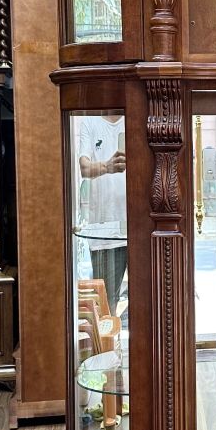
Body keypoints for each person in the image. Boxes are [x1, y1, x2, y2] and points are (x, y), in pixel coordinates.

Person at [77, 114, 127, 307]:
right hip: (102, 233)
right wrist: (107, 166)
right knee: (106, 303)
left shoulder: (135, 116)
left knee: (145, 301)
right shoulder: (90, 122)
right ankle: (111, 330)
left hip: (137, 228)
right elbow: (84, 168)